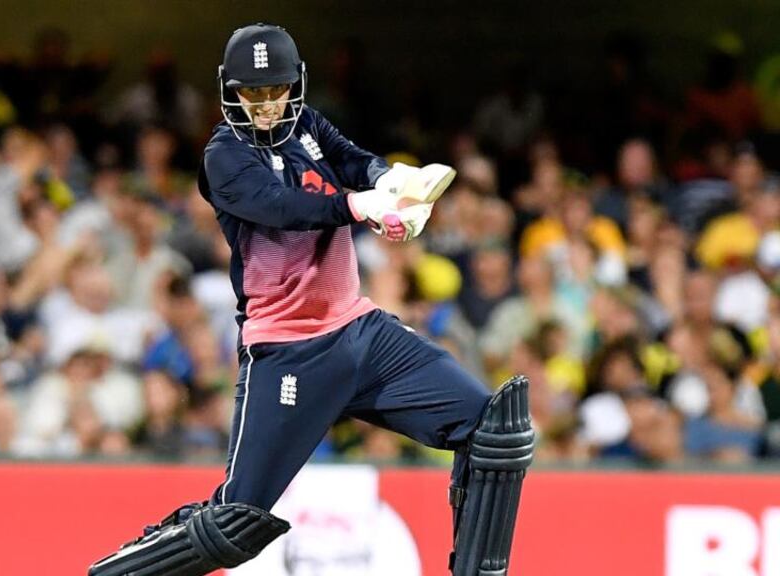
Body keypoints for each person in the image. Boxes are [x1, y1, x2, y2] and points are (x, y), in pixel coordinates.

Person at [88, 23, 533, 576]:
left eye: (275, 90)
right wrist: (362, 207)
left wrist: (392, 183)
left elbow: (351, 160)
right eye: (254, 93)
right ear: (231, 91)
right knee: (236, 524)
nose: (268, 104)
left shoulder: (307, 125)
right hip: (289, 350)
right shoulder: (223, 156)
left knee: (492, 431)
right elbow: (283, 207)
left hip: (362, 334)